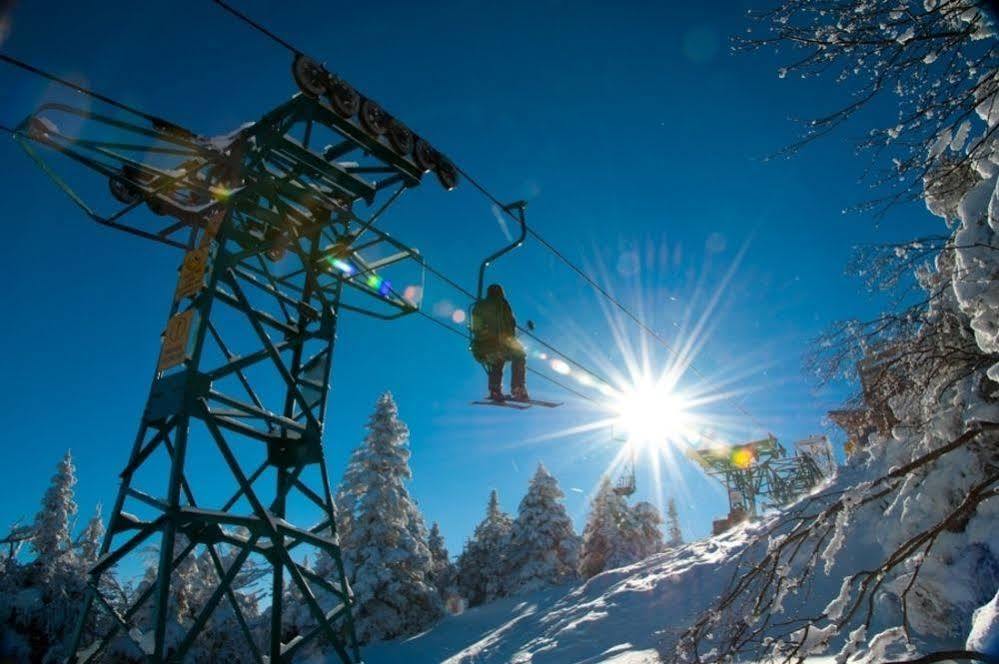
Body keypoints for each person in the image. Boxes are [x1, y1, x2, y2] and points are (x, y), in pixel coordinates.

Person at [471, 283, 529, 402]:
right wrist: (511, 341)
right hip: (499, 343)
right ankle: (518, 388)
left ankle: (495, 390)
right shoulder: (502, 304)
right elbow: (509, 325)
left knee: (497, 360)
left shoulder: (478, 306)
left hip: (481, 346)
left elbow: (475, 327)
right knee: (519, 355)